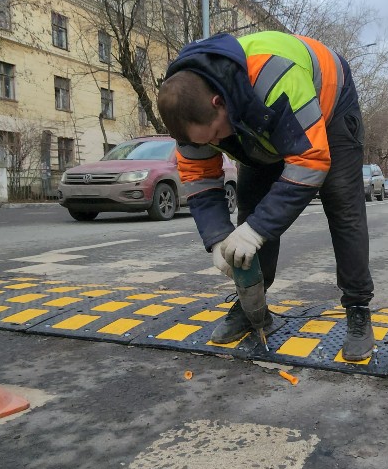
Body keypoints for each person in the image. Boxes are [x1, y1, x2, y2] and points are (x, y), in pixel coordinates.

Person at [156, 30, 376, 361]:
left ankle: (358, 308)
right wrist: (218, 238)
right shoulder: (188, 113)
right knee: (253, 207)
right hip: (255, 125)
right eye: (202, 141)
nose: (212, 143)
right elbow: (199, 179)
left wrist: (257, 231)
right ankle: (252, 309)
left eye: (215, 135)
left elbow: (310, 163)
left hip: (328, 107)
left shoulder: (276, 77)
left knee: (343, 206)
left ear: (220, 103)